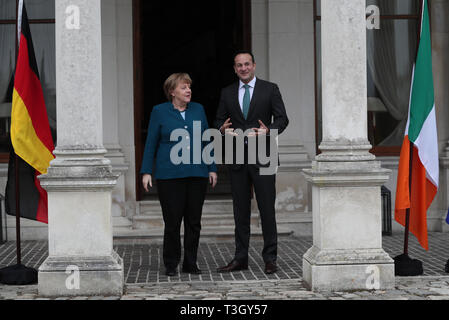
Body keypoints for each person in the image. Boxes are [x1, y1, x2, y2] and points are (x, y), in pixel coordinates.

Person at [215, 51, 289, 274]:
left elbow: (283, 118)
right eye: (239, 65)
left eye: (247, 64)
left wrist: (269, 131)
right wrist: (221, 128)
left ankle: (270, 259)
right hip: (237, 158)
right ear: (235, 68)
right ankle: (240, 259)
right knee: (240, 211)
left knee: (267, 209)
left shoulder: (270, 89)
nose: (243, 68)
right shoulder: (227, 92)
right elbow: (219, 119)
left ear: (254, 65)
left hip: (264, 156)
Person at [141, 73, 218, 276]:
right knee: (173, 222)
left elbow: (205, 140)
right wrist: (146, 171)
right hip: (169, 175)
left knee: (194, 222)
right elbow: (151, 142)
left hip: (196, 173)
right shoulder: (159, 111)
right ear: (172, 91)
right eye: (184, 87)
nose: (188, 90)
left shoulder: (198, 109)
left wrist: (211, 167)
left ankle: (190, 263)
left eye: (189, 87)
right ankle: (171, 263)